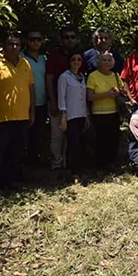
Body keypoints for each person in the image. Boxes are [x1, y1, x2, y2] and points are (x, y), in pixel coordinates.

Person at [0, 32, 35, 190]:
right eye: (10, 44)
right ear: (3, 46)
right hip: (0, 119)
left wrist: (32, 112)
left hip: (22, 117)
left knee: (16, 153)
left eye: (17, 44)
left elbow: (31, 89)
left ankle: (10, 184)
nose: (14, 47)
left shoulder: (25, 63)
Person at [46, 26, 81, 170]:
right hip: (57, 101)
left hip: (74, 104)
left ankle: (68, 163)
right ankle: (56, 163)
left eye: (72, 37)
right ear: (61, 39)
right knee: (57, 134)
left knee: (71, 135)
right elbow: (49, 79)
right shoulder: (54, 56)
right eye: (66, 37)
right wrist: (53, 102)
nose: (70, 40)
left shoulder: (78, 56)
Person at [87, 52, 123, 171]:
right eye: (104, 60)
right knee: (101, 140)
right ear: (99, 62)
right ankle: (100, 166)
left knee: (113, 139)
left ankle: (112, 163)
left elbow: (122, 90)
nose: (107, 62)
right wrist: (107, 95)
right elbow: (90, 96)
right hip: (99, 113)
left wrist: (118, 92)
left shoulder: (116, 76)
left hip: (114, 112)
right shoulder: (93, 76)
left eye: (109, 60)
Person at [58, 50, 88, 182]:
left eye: (79, 59)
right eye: (73, 59)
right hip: (70, 116)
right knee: (73, 144)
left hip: (81, 114)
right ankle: (73, 172)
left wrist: (87, 115)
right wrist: (63, 116)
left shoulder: (82, 77)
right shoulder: (64, 77)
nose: (76, 62)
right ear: (69, 62)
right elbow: (61, 98)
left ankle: (80, 170)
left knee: (81, 144)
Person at [22, 29, 48, 165]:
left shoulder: (44, 59)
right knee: (23, 136)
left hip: (42, 103)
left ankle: (34, 162)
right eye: (32, 39)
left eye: (38, 39)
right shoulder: (20, 58)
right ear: (26, 41)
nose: (35, 42)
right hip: (25, 104)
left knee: (38, 135)